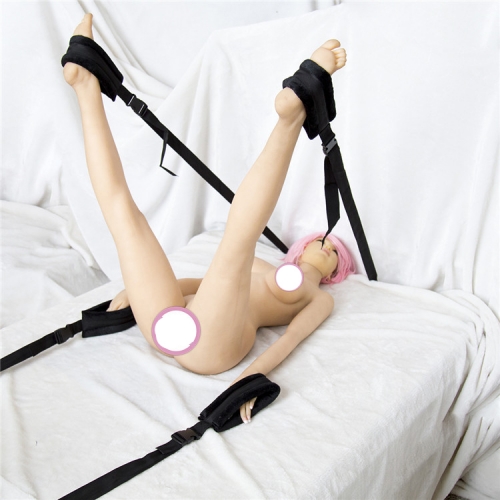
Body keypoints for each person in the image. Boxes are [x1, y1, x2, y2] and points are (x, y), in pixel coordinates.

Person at [63, 13, 352, 424]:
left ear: (337, 272)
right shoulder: (268, 266)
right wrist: (136, 289)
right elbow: (202, 283)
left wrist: (250, 377)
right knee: (124, 214)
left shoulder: (319, 298)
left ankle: (292, 116)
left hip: (212, 348)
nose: (325, 245)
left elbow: (292, 338)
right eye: (322, 241)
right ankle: (85, 84)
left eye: (333, 252)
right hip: (168, 322)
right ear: (300, 248)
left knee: (238, 239)